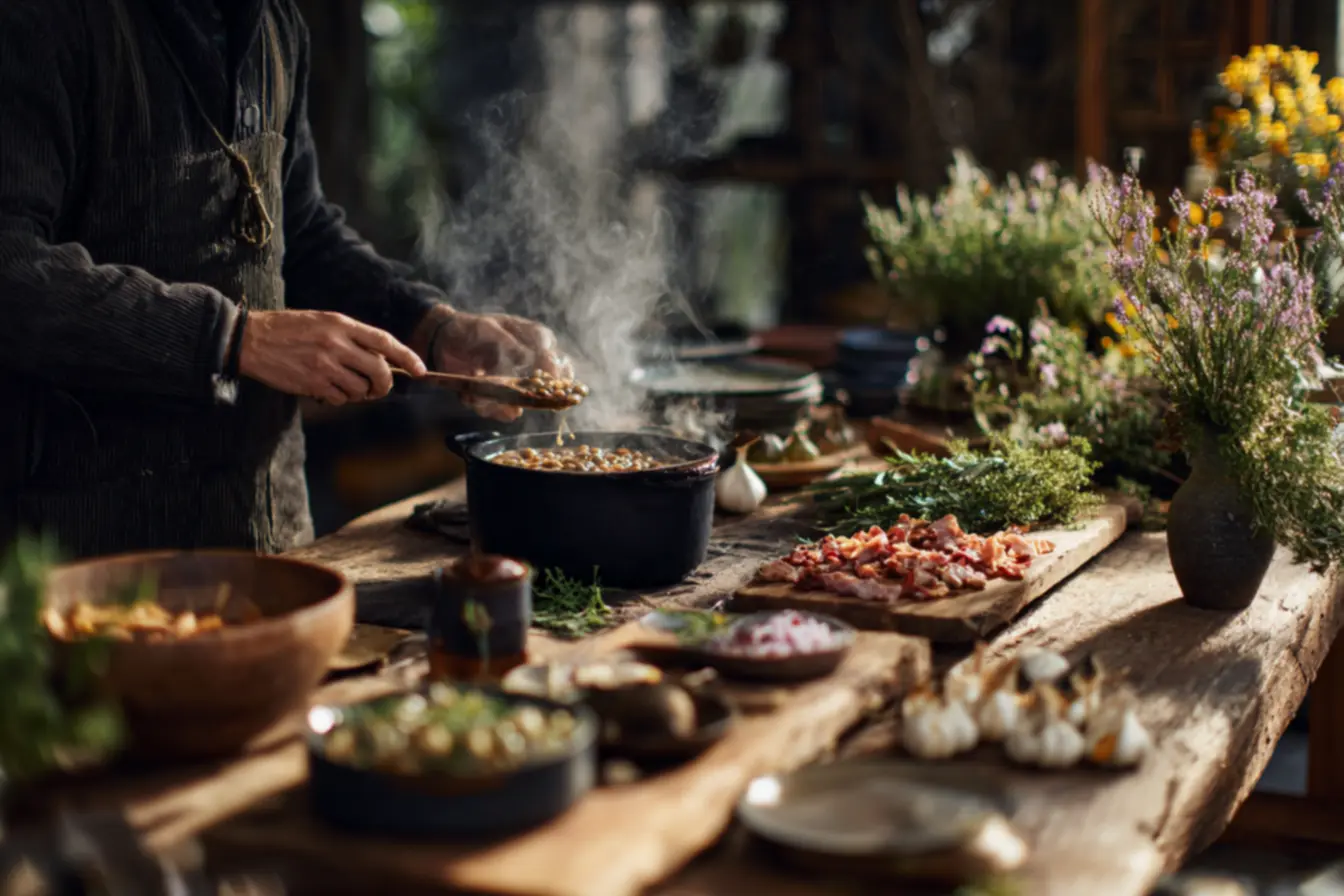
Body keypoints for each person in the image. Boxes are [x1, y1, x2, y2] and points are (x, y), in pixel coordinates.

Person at [0, 0, 570, 558]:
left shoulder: (275, 23)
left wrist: (432, 326)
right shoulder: (45, 21)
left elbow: (301, 232)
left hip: (265, 527)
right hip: (86, 547)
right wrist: (233, 338)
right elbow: (13, 269)